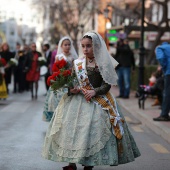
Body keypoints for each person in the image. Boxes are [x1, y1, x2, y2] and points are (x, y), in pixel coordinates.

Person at [42, 31, 140, 170]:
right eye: (83, 46)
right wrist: (72, 89)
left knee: (90, 133)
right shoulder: (78, 63)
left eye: (88, 46)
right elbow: (73, 81)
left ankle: (89, 163)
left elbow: (106, 85)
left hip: (97, 100)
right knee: (72, 131)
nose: (85, 49)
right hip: (78, 100)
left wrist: (94, 91)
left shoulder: (103, 63)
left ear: (96, 46)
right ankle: (71, 163)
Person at [42, 36, 78, 122]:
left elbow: (74, 69)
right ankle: (58, 118)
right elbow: (56, 69)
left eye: (69, 45)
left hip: (70, 79)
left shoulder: (73, 57)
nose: (67, 46)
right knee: (57, 100)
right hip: (61, 80)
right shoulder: (59, 56)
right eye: (65, 45)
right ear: (61, 46)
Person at [153, 42, 170, 121]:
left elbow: (161, 58)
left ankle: (164, 115)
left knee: (167, 93)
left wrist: (163, 67)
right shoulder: (168, 47)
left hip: (169, 72)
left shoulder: (159, 48)